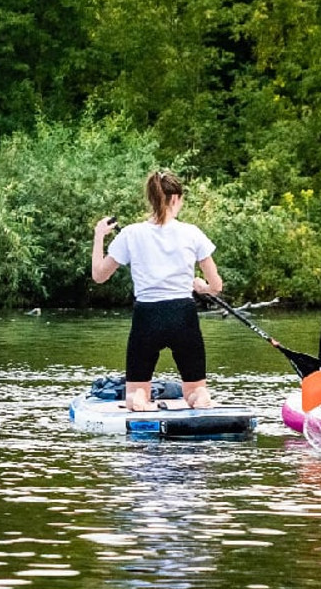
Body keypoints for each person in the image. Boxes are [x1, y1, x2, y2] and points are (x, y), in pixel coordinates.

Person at [90, 170, 226, 411]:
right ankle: (201, 398)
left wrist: (99, 235)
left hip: (147, 316)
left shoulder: (130, 234)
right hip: (183, 315)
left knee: (136, 393)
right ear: (175, 199)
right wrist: (201, 286)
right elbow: (216, 287)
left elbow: (99, 276)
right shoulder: (192, 233)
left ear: (152, 199)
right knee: (195, 390)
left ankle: (139, 400)